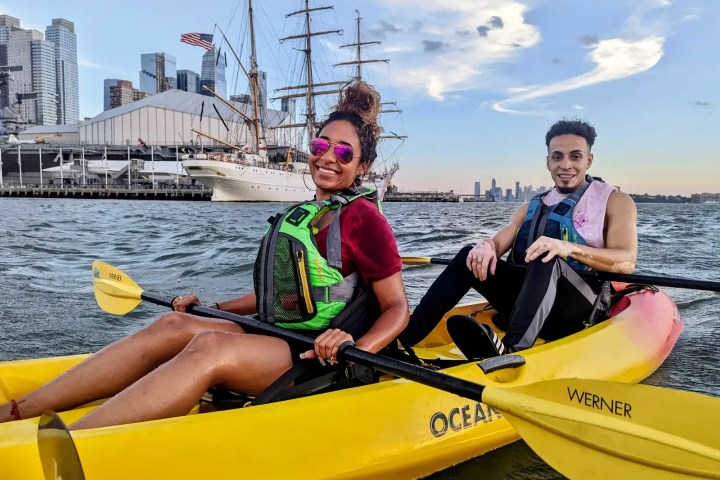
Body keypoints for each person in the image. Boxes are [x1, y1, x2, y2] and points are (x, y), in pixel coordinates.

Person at [0, 81, 409, 428]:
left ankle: (78, 438)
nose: (327, 157)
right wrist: (212, 308)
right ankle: (20, 412)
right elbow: (282, 295)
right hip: (275, 331)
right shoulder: (304, 213)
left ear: (364, 165)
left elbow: (396, 309)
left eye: (343, 153)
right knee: (174, 324)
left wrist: (354, 346)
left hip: (314, 351)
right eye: (322, 145)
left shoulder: (365, 220)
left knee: (211, 347)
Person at [400, 118, 637, 358]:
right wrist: (485, 247)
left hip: (577, 311)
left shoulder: (615, 201)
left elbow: (626, 261)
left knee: (547, 256)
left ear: (589, 160)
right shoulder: (532, 205)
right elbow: (496, 244)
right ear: (548, 162)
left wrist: (567, 247)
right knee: (467, 256)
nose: (566, 165)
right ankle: (403, 339)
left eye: (575, 156)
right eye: (557, 157)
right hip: (526, 305)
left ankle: (510, 353)